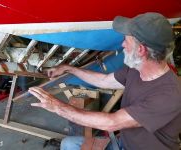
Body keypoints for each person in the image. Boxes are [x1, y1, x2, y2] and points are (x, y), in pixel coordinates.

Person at [28, 12, 181, 150]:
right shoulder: (136, 69)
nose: (122, 45)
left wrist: (57, 107)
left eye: (125, 41)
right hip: (124, 144)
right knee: (68, 144)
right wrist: (69, 68)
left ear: (141, 50)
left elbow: (111, 123)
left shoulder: (169, 95)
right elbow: (104, 80)